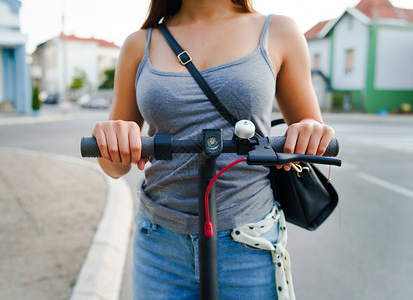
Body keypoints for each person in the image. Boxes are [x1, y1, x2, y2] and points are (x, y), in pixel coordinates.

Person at [92, 0, 335, 299]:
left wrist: (309, 131)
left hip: (248, 242)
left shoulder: (278, 31)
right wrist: (111, 141)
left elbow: (311, 136)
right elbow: (114, 168)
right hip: (159, 245)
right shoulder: (138, 44)